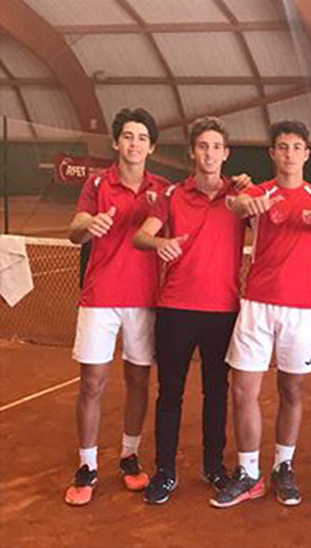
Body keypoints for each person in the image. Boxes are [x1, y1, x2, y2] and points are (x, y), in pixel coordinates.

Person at [210, 121, 311, 509]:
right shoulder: (259, 192)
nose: (289, 154)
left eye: (296, 147)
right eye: (282, 147)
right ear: (272, 154)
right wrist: (243, 202)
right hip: (256, 306)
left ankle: (283, 466)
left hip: (299, 310)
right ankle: (247, 474)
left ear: (306, 154)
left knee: (292, 390)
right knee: (243, 389)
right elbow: (235, 203)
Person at [133, 116, 243, 505]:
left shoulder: (239, 196)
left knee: (217, 391)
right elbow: (141, 234)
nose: (209, 153)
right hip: (176, 308)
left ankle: (214, 466)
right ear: (193, 152)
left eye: (216, 146)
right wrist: (157, 243)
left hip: (223, 311)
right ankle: (165, 470)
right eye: (203, 146)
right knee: (170, 393)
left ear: (225, 153)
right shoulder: (173, 195)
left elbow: (281, 198)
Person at [64, 108, 169, 506]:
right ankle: (87, 465)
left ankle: (129, 455)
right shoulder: (96, 184)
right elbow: (73, 231)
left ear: (151, 146)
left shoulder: (162, 189)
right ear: (116, 142)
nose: (134, 144)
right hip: (99, 299)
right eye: (128, 136)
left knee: (139, 380)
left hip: (145, 300)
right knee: (92, 382)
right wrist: (86, 225)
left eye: (142, 137)